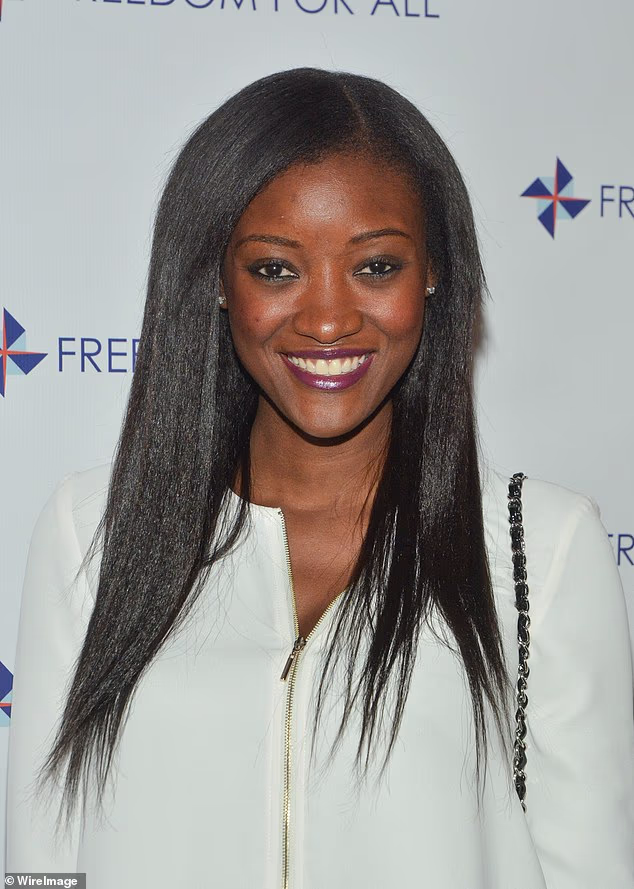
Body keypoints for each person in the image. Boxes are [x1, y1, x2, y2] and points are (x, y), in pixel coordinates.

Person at [5, 68, 633, 889]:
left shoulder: (540, 551)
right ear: (216, 280)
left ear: (434, 273)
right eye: (275, 270)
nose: (329, 318)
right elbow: (44, 864)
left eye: (376, 266)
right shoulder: (93, 532)